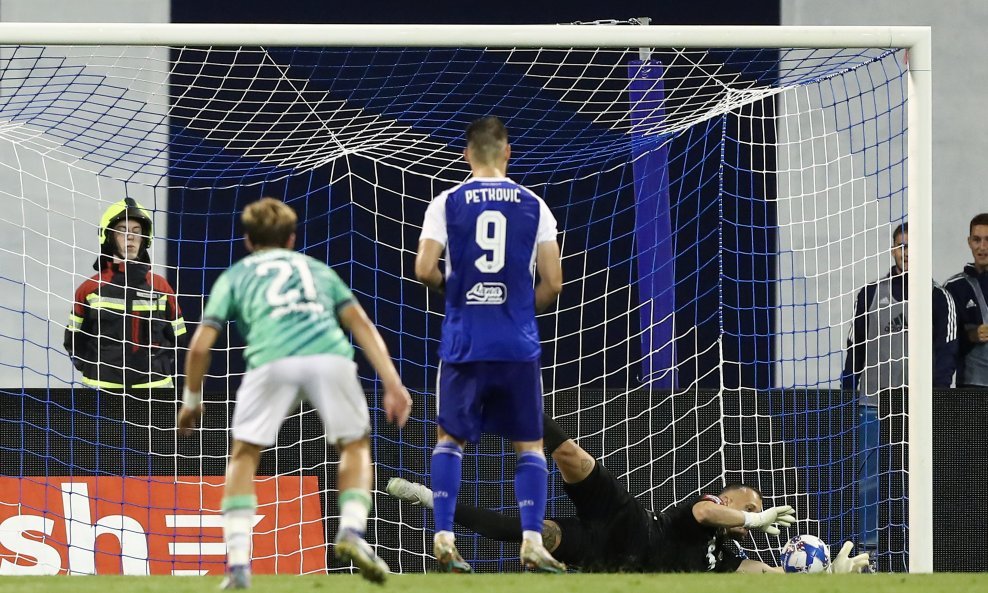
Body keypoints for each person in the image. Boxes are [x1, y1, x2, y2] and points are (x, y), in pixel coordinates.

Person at [177, 197, 412, 589]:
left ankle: (237, 567)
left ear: (249, 240)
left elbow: (200, 345)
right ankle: (352, 530)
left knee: (244, 456)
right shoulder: (316, 269)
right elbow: (363, 326)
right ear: (291, 239)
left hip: (272, 361)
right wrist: (392, 383)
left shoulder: (236, 275)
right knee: (353, 446)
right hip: (330, 358)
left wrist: (191, 400)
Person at [386, 414, 872, 574]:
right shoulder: (704, 512)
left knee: (536, 533)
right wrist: (749, 520)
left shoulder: (729, 558)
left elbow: (765, 575)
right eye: (751, 507)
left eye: (760, 514)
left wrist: (826, 575)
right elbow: (707, 512)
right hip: (626, 521)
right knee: (571, 456)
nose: (758, 519)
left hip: (609, 557)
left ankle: (431, 499)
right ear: (730, 503)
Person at [414, 115, 564, 573]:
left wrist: (456, 295)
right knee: (531, 446)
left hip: (465, 341)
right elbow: (554, 283)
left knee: (450, 442)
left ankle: (442, 534)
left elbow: (423, 269)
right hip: (517, 344)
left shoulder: (447, 202)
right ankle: (533, 540)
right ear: (507, 152)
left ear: (466, 154)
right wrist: (517, 309)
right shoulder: (535, 204)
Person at [64, 197, 185, 391]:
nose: (130, 237)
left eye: (137, 232)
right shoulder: (89, 290)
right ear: (108, 237)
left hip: (154, 391)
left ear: (145, 239)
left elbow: (179, 338)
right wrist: (96, 371)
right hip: (100, 392)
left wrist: (159, 368)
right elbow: (74, 341)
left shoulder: (161, 288)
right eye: (122, 231)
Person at [944, 213, 988, 388]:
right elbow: (942, 343)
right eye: (977, 240)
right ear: (969, 242)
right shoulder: (955, 287)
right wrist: (970, 336)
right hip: (972, 386)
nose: (982, 247)